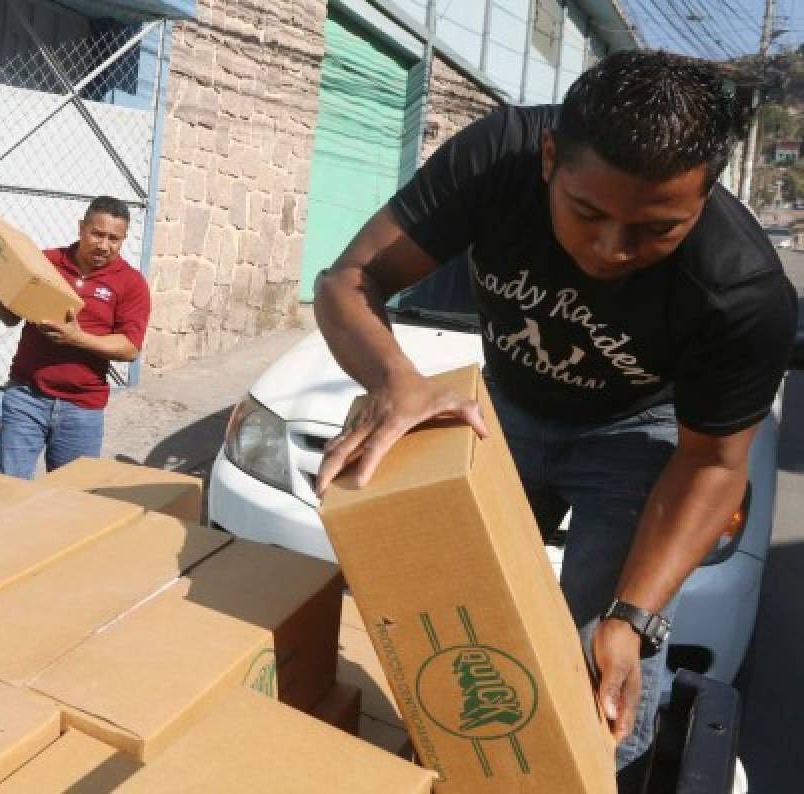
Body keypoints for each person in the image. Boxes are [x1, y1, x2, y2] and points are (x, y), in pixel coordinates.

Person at [311, 51, 796, 788]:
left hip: (639, 436)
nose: (610, 249)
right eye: (589, 212)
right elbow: (350, 279)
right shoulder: (497, 156)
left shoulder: (742, 291)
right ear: (548, 159)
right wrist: (393, 381)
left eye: (655, 229)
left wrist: (634, 618)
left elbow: (713, 463)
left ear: (704, 197)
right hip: (501, 411)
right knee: (445, 617)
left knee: (589, 662)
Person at [0, 196, 151, 479]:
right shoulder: (46, 263)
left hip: (82, 408)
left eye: (114, 239)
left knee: (72, 500)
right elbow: (10, 317)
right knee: (7, 487)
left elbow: (129, 347)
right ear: (81, 228)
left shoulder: (131, 283)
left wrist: (78, 338)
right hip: (27, 396)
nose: (104, 245)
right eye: (97, 234)